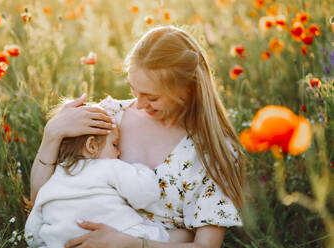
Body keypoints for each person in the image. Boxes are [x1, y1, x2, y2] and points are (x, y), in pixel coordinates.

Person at [30, 25, 246, 248]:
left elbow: (206, 246)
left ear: (187, 89)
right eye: (134, 89)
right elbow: (44, 200)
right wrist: (52, 135)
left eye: (152, 97)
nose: (139, 104)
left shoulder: (212, 152)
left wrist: (129, 243)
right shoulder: (107, 119)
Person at [25, 115, 170, 248]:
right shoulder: (109, 166)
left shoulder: (52, 179)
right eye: (114, 145)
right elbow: (144, 195)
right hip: (113, 236)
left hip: (64, 243)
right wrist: (140, 169)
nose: (119, 152)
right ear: (92, 146)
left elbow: (32, 232)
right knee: (168, 235)